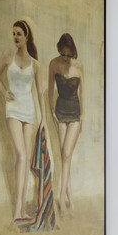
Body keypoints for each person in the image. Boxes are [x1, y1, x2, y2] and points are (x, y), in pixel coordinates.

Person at [0, 20, 46, 223]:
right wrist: (4, 92)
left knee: (25, 159)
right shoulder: (8, 55)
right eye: (13, 33)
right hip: (13, 110)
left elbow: (39, 94)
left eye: (19, 34)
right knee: (21, 156)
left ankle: (22, 210)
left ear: (26, 37)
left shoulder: (36, 64)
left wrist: (43, 120)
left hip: (29, 112)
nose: (15, 37)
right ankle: (17, 211)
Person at [47, 32, 84, 213]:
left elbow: (82, 92)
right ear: (59, 50)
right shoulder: (53, 64)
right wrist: (51, 111)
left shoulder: (78, 66)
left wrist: (83, 115)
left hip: (75, 113)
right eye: (63, 54)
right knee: (64, 156)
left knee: (67, 153)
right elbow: (49, 91)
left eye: (69, 55)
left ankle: (61, 197)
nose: (66, 58)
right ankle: (69, 196)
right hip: (60, 112)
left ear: (73, 53)